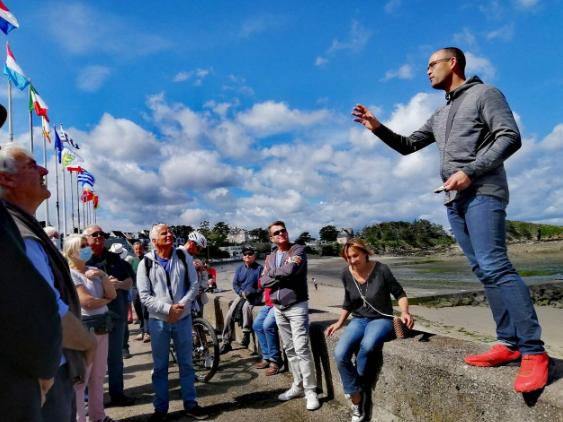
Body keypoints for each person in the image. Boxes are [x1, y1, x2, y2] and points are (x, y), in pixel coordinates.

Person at [352, 46, 548, 393]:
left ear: (452, 63)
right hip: (454, 200)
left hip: (483, 191)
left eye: (432, 64)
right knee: (483, 270)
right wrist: (377, 127)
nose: (426, 71)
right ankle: (508, 343)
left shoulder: (485, 94)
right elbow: (408, 145)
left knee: (495, 265)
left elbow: (509, 136)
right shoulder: (440, 115)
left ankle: (533, 351)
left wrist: (470, 172)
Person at [1, 143, 96, 421]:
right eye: (31, 165)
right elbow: (43, 308)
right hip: (43, 377)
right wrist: (87, 343)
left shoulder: (20, 228)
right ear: (6, 178)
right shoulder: (20, 235)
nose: (43, 170)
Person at [326, 239, 414, 422]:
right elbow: (348, 302)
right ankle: (356, 393)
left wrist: (405, 312)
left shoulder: (382, 270)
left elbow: (400, 294)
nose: (351, 261)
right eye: (348, 257)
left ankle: (358, 398)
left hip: (381, 320)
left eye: (355, 256)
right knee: (340, 353)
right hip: (358, 319)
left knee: (367, 346)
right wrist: (339, 322)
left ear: (366, 253)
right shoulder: (346, 273)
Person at [137, 224, 208, 421]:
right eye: (164, 233)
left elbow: (194, 285)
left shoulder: (184, 257)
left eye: (170, 232)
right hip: (159, 322)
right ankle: (160, 409)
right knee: (160, 367)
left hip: (183, 319)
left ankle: (191, 404)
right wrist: (168, 309)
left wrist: (181, 306)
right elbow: (144, 296)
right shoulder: (146, 264)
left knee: (186, 363)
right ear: (153, 240)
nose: (169, 234)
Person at [0, 198, 62, 421]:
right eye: (28, 165)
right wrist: (45, 365)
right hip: (21, 375)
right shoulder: (16, 230)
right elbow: (35, 303)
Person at [261, 221, 320, 411]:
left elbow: (291, 270)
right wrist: (277, 274)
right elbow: (262, 282)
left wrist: (273, 275)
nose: (281, 234)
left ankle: (310, 390)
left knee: (302, 348)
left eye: (283, 230)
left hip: (297, 306)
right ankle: (297, 385)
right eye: (276, 232)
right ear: (271, 238)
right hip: (278, 308)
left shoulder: (298, 250)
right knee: (289, 349)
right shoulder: (269, 257)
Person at [64, 234, 117, 422]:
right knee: (81, 379)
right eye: (82, 245)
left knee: (99, 375)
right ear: (71, 250)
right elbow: (86, 302)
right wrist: (106, 300)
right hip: (85, 329)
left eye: (87, 245)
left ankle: (98, 416)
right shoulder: (69, 273)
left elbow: (113, 293)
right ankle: (80, 418)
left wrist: (102, 276)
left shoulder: (94, 270)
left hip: (102, 327)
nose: (87, 249)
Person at [83, 225, 136, 406]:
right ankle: (90, 401)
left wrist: (119, 284)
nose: (100, 237)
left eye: (102, 234)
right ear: (86, 238)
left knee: (115, 359)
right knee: (90, 362)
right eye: (95, 234)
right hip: (92, 318)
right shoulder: (81, 261)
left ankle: (117, 394)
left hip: (116, 315)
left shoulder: (116, 259)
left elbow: (130, 280)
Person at [219, 246, 262, 354]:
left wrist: (252, 292)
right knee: (229, 315)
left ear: (254, 256)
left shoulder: (259, 268)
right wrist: (240, 293)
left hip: (254, 296)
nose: (247, 255)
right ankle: (226, 342)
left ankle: (246, 334)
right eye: (245, 254)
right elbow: (235, 284)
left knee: (245, 308)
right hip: (241, 295)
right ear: (242, 257)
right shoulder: (240, 269)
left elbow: (262, 286)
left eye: (250, 253)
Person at [252, 277, 283, 376]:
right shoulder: (268, 262)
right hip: (268, 303)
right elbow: (260, 283)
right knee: (257, 325)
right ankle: (266, 357)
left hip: (278, 303)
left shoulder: (277, 263)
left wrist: (266, 280)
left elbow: (275, 280)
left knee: (267, 325)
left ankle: (275, 360)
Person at [109, 242, 134, 359]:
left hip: (120, 298)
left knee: (122, 325)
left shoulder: (124, 265)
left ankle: (124, 348)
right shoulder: (102, 263)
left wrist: (119, 284)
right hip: (104, 300)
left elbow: (130, 281)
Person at [131, 241, 151, 342]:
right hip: (134, 288)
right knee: (138, 309)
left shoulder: (147, 260)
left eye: (140, 249)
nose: (138, 251)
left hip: (145, 288)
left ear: (143, 249)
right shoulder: (132, 261)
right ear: (133, 250)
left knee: (146, 310)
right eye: (136, 249)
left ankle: (147, 332)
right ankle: (141, 330)